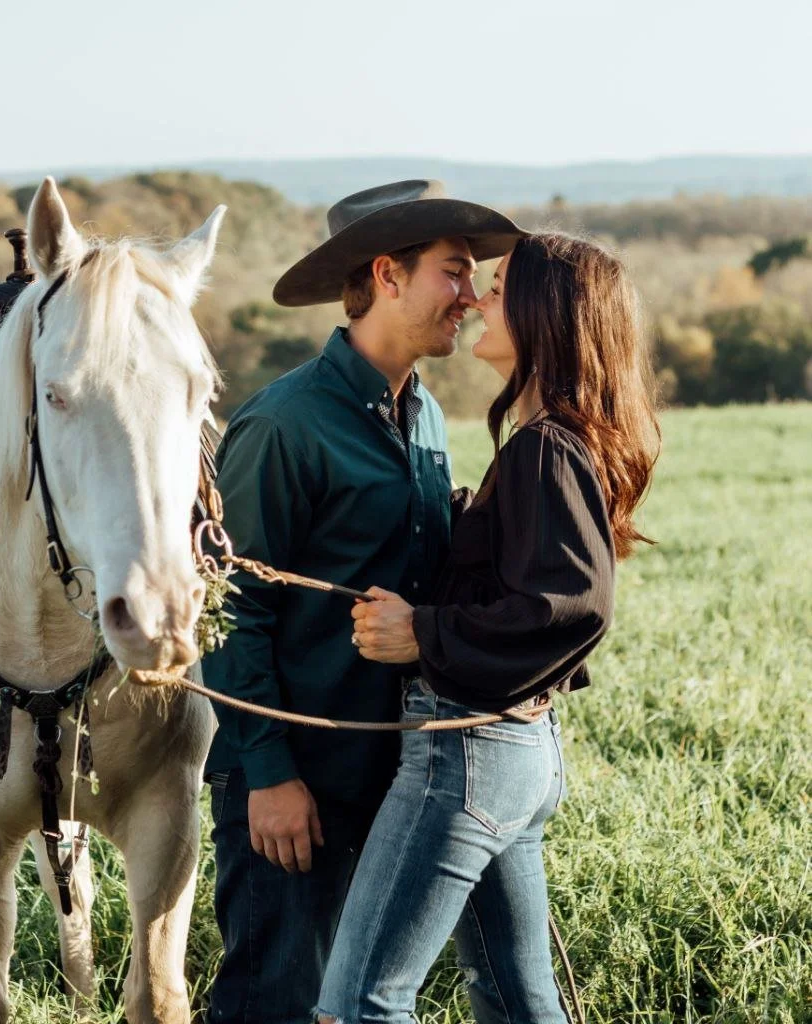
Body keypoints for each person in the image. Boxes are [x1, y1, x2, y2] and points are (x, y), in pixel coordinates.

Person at [317, 232, 660, 1024]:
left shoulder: (545, 447)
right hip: (513, 754)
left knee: (358, 1005)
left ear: (545, 314)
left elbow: (572, 602)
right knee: (514, 1003)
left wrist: (422, 634)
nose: (474, 298)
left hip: (467, 753)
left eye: (497, 288)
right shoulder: (553, 439)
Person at [203, 180, 523, 1024]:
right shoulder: (283, 424)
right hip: (294, 782)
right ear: (387, 274)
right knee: (273, 999)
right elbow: (228, 609)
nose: (471, 296)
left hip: (395, 775)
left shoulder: (422, 415)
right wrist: (268, 775)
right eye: (454, 272)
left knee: (351, 1005)